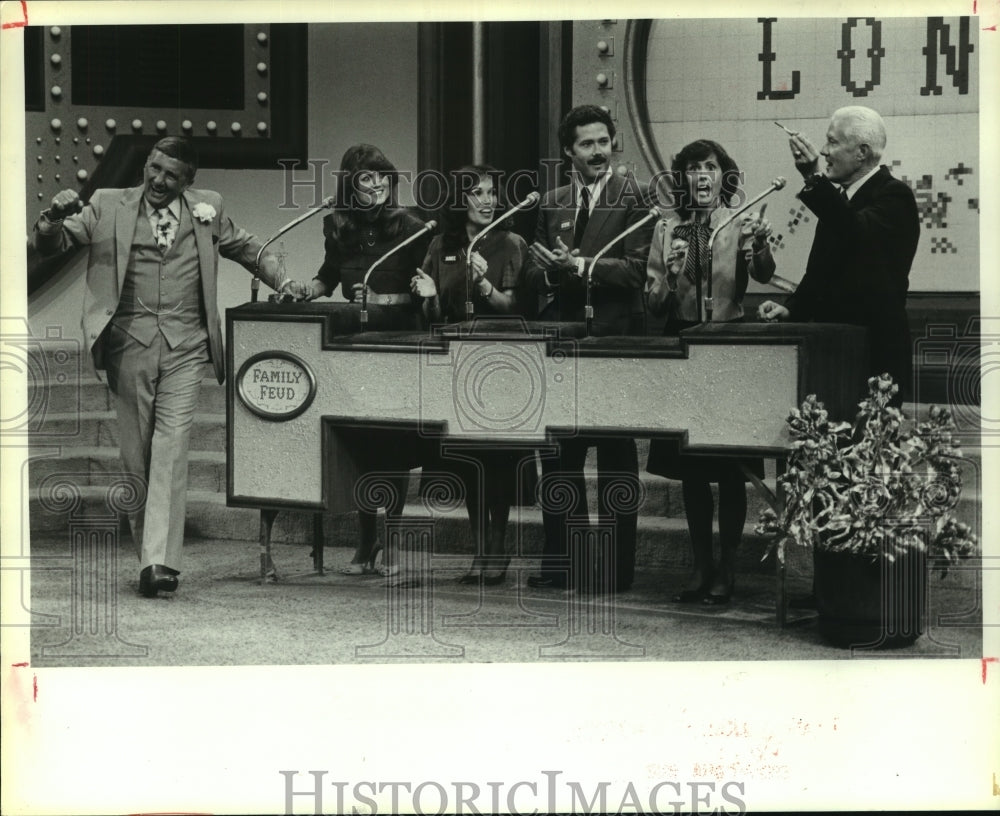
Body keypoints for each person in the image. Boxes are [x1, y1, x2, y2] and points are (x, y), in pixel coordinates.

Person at [31, 136, 310, 597]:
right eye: (154, 169)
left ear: (189, 182)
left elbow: (246, 247)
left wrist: (285, 279)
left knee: (173, 445)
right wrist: (51, 217)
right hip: (128, 343)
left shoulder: (209, 208)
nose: (159, 180)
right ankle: (150, 553)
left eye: (171, 175)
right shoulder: (106, 204)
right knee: (136, 456)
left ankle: (159, 562)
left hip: (187, 345)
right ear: (146, 165)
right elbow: (53, 243)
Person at [524, 104, 654, 593]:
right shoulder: (552, 200)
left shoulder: (635, 198)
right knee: (559, 459)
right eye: (587, 144)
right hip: (560, 342)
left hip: (613, 342)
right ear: (568, 151)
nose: (598, 152)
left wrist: (578, 266)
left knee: (617, 459)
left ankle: (616, 570)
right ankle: (563, 563)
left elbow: (638, 270)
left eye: (604, 142)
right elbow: (532, 274)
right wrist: (551, 269)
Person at [645, 139, 775, 605]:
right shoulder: (667, 229)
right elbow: (654, 302)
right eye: (693, 169)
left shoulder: (741, 221)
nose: (701, 176)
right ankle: (700, 564)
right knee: (693, 469)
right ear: (682, 179)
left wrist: (758, 245)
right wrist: (673, 275)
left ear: (724, 176)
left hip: (728, 344)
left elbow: (761, 273)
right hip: (682, 343)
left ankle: (729, 567)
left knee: (729, 467)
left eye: (710, 167)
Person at [307, 144, 432, 577]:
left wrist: (387, 297)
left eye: (383, 177)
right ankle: (366, 538)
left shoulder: (412, 226)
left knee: (393, 444)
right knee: (360, 444)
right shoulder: (337, 227)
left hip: (397, 339)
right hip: (353, 342)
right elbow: (328, 275)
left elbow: (425, 284)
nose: (377, 185)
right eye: (366, 178)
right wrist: (309, 290)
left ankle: (393, 536)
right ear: (349, 184)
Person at [411, 164, 530, 585]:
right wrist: (427, 299)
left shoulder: (511, 242)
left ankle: (498, 550)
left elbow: (514, 308)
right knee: (468, 465)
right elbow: (435, 314)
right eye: (477, 193)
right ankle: (479, 551)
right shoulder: (441, 244)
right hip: (455, 366)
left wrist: (483, 284)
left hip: (498, 366)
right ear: (460, 201)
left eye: (492, 192)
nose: (487, 200)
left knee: (497, 463)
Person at [758, 105, 919, 403]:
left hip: (873, 355)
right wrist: (793, 309)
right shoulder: (840, 200)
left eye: (832, 142)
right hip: (832, 352)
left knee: (868, 446)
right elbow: (821, 272)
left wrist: (813, 178)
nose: (823, 151)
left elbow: (858, 235)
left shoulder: (895, 195)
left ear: (861, 152)